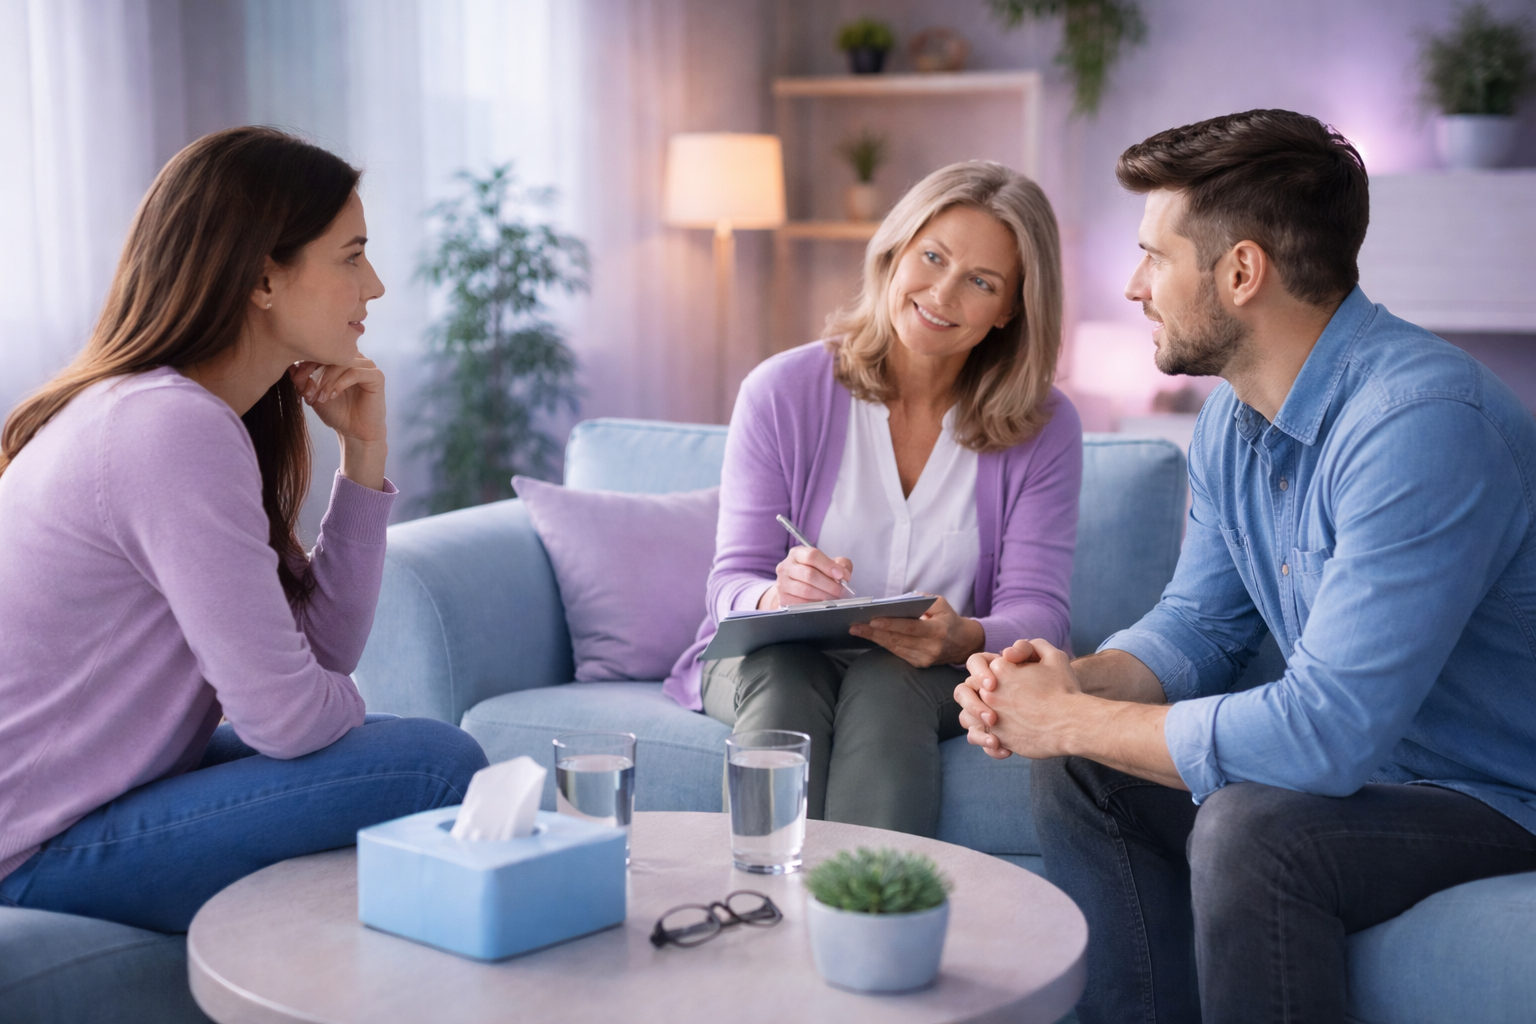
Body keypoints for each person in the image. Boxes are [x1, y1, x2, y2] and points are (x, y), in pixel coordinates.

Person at [955, 109, 1536, 1024]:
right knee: (1081, 768)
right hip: (1374, 777)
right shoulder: (1232, 418)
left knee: (1252, 830)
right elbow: (1199, 626)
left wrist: (1071, 717)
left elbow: (1326, 735)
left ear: (1239, 272)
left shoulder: (1423, 425)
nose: (1135, 285)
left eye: (1154, 255)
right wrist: (1068, 681)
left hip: (1495, 795)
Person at [0, 127, 488, 934]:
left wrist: (362, 457)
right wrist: (327, 704)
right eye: (351, 255)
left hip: (91, 797)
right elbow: (288, 717)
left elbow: (320, 660)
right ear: (264, 277)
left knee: (410, 752)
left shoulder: (183, 415)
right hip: (35, 844)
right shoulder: (168, 429)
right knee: (437, 767)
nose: (376, 285)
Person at [665, 161, 1082, 837]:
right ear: (895, 250)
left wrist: (964, 637)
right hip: (777, 657)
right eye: (933, 256)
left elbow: (1042, 615)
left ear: (1010, 309)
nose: (942, 293)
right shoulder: (781, 392)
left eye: (981, 281)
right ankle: (766, 909)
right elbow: (729, 585)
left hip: (928, 668)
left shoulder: (1044, 424)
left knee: (888, 685)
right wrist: (777, 596)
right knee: (784, 671)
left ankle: (865, 930)